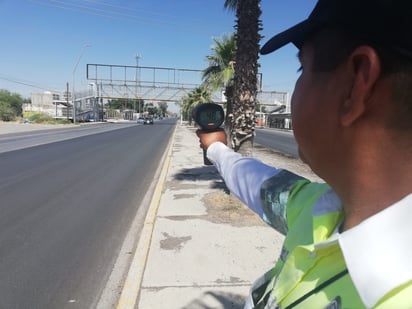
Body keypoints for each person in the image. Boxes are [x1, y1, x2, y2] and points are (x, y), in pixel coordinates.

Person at [196, 0, 412, 308]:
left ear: (356, 84)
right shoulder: (321, 207)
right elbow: (257, 181)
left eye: (302, 67)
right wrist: (216, 148)